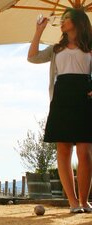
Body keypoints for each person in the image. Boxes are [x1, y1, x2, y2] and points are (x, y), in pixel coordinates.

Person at [28, 8, 92, 213]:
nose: (62, 22)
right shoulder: (56, 48)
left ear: (77, 21)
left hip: (85, 99)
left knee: (85, 153)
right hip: (61, 98)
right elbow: (33, 57)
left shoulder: (90, 46)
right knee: (63, 151)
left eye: (66, 19)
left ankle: (84, 201)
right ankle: (73, 203)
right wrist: (39, 31)